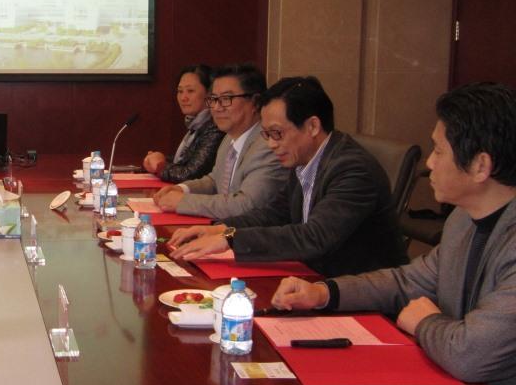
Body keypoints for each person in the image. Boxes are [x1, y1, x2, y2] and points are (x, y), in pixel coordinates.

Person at [270, 83, 516, 385]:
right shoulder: (463, 220)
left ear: (480, 166)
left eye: (439, 151)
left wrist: (424, 322)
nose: (430, 163)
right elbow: (406, 281)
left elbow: (470, 356)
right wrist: (323, 293)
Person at [168, 76, 407, 277]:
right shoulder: (303, 158)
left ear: (312, 126)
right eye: (266, 135)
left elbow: (313, 237)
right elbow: (274, 214)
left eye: (277, 133)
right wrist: (219, 229)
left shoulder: (352, 169)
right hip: (313, 277)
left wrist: (230, 240)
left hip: (355, 290)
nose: (271, 144)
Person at [152, 63, 287, 219]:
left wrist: (183, 201)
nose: (216, 107)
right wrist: (182, 189)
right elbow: (214, 181)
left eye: (226, 99)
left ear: (255, 102)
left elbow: (247, 205)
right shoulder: (229, 137)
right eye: (214, 99)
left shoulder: (268, 145)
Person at [142, 64, 225, 183]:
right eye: (180, 91)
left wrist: (160, 166)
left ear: (209, 94)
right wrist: (157, 159)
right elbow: (185, 161)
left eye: (190, 91)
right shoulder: (196, 124)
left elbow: (190, 174)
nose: (183, 97)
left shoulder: (216, 127)